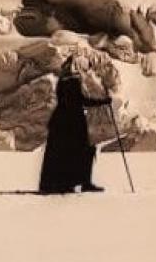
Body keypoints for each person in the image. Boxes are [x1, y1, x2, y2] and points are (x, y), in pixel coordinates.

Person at [38, 57, 113, 194]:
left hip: (62, 123)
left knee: (62, 153)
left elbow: (75, 101)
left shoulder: (63, 82)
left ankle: (61, 182)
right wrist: (102, 102)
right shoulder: (71, 82)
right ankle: (81, 182)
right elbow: (79, 101)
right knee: (82, 152)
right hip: (72, 123)